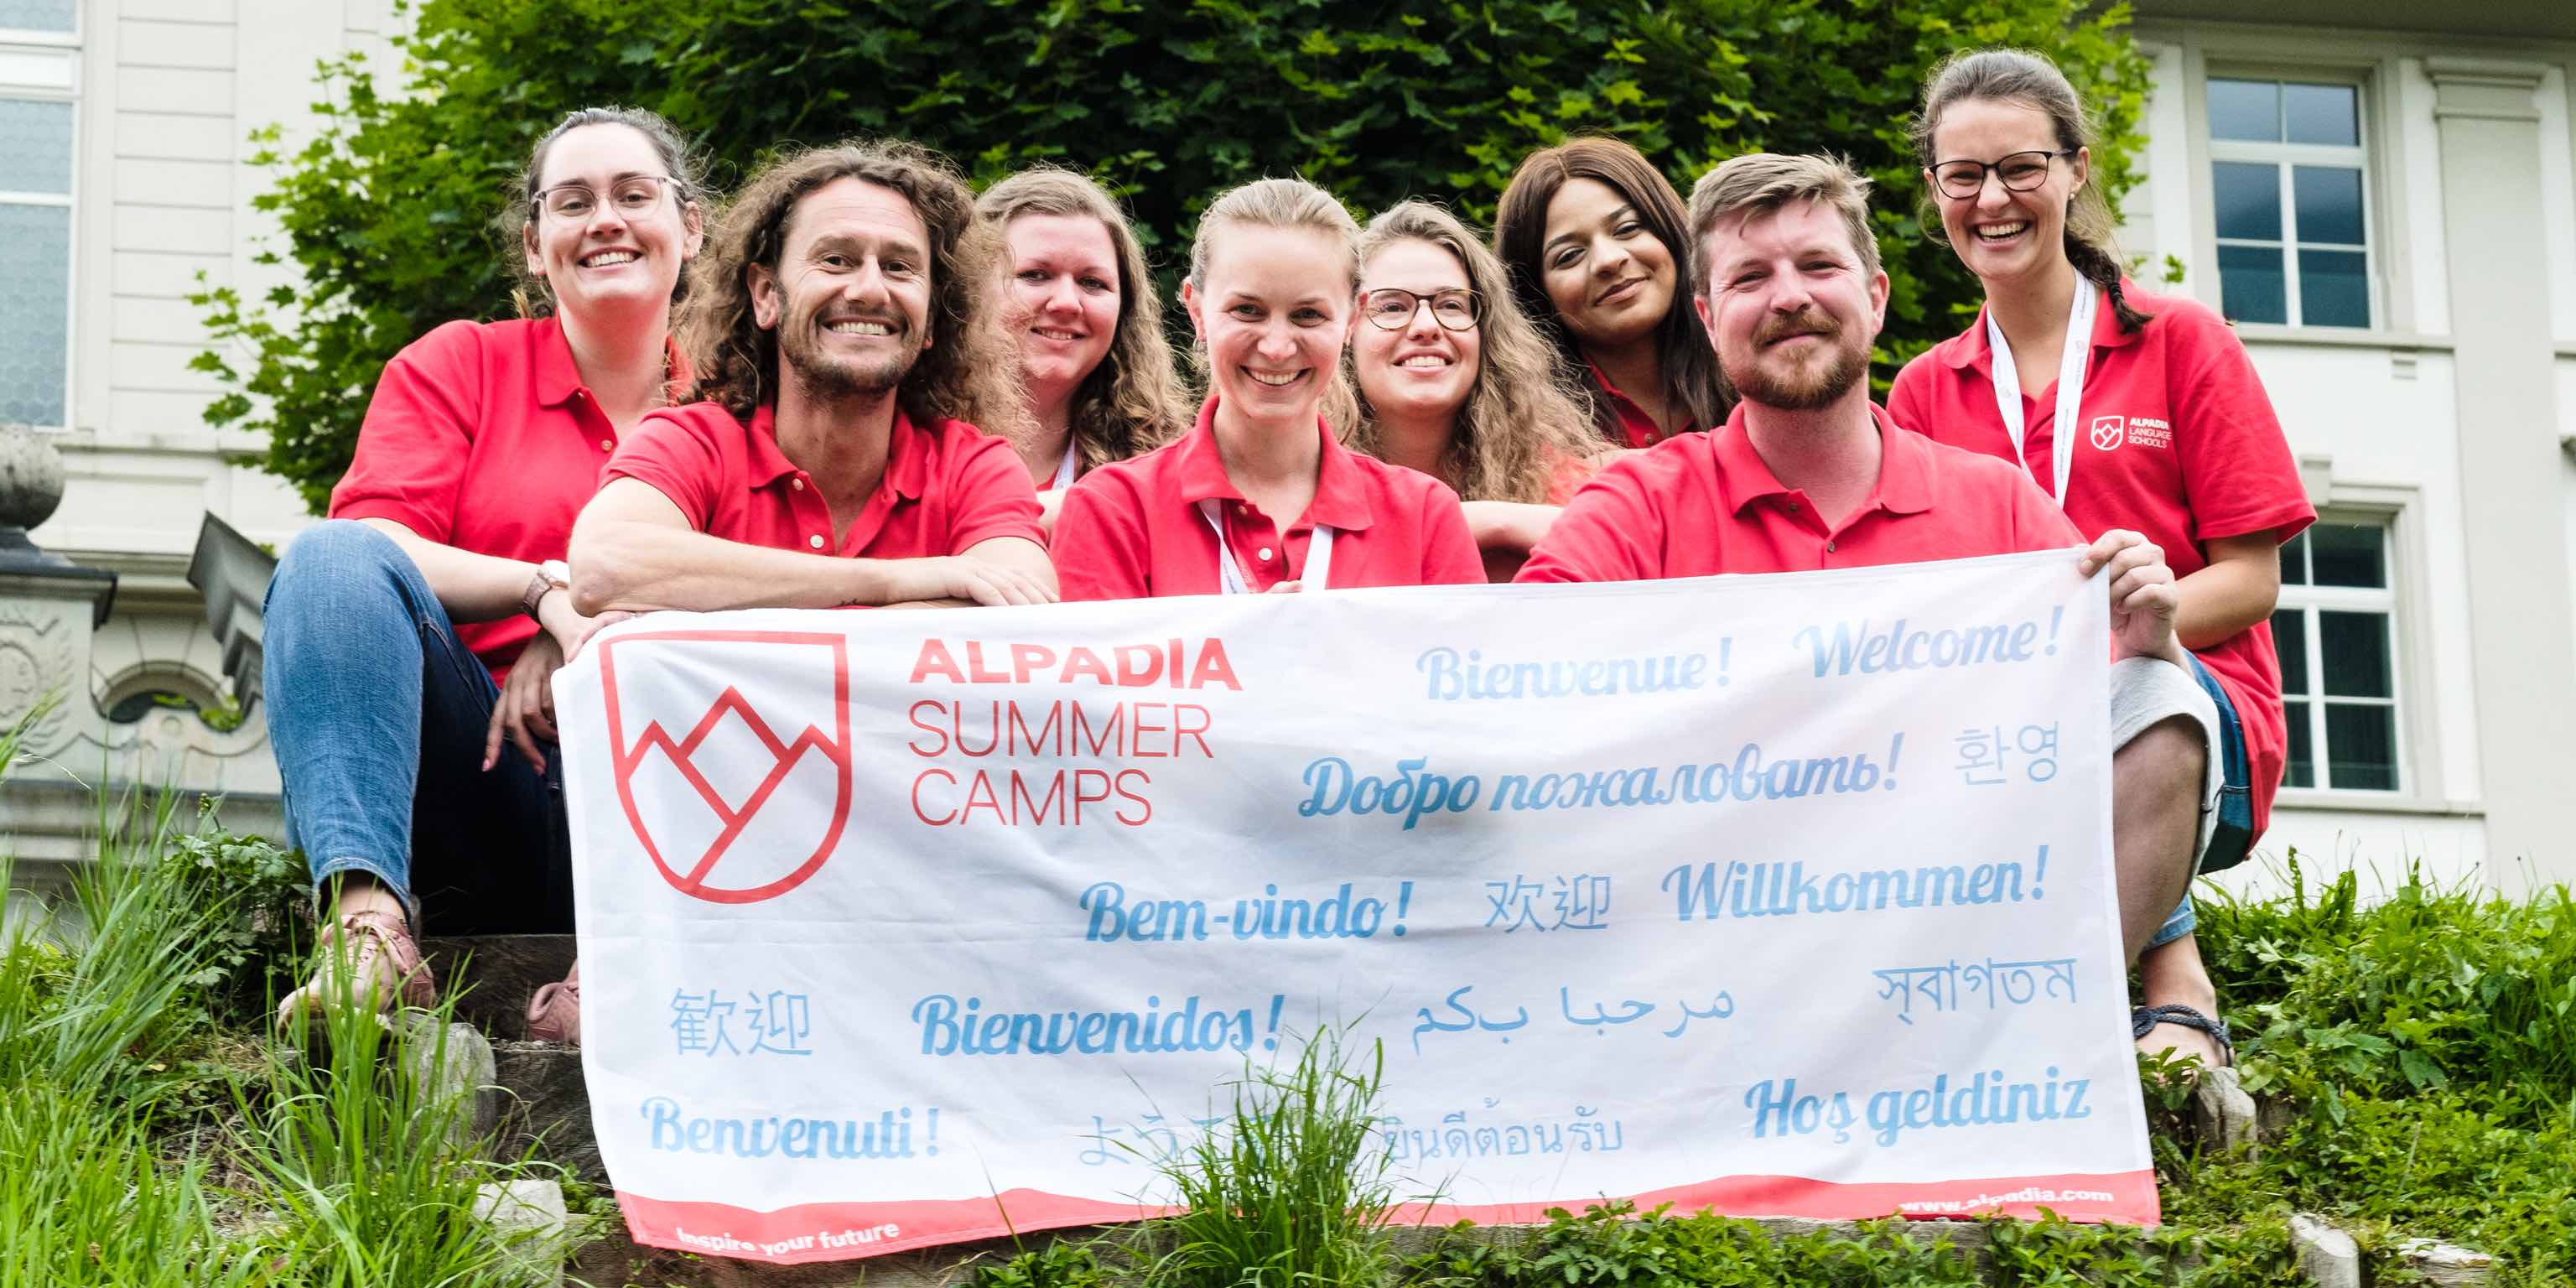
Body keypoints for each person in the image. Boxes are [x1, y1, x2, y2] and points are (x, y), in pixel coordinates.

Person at [1519, 152, 2211, 1005]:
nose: (1788, 297)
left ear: (1876, 297)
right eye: (1750, 278)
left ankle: (2045, 1021)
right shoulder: (1641, 500)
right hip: (1711, 951)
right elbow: (1520, 674)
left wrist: (2152, 640)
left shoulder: (1997, 507)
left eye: (1818, 266)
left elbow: (2123, 730)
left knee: (2164, 698)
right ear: (1707, 316)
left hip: (1954, 954)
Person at [1889, 49, 2316, 1067]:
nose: (1992, 199)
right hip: (2004, 716)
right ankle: (2171, 985)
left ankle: (2049, 1037)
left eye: (2022, 168)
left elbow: (2253, 580)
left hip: (2191, 695)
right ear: (1935, 190)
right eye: (1963, 176)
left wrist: (2135, 623)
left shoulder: (2183, 341)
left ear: (2077, 171)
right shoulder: (1920, 393)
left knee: (2132, 692)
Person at [263, 106, 705, 1036]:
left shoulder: (745, 401)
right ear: (536, 247)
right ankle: (369, 936)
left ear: (691, 226)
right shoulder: (458, 366)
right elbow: (379, 552)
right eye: (573, 202)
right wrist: (542, 594)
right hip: (486, 776)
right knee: (327, 558)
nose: (606, 220)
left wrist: (589, 637)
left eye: (636, 195)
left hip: (674, 790)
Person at [571, 140, 1054, 624]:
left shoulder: (974, 466)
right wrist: (895, 581)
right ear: (766, 296)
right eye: (836, 260)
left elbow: (1025, 611)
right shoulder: (692, 443)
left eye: (898, 267)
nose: (869, 290)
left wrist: (706, 599)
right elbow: (603, 567)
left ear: (931, 320)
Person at [1051, 178, 1483, 598]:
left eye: (1308, 315)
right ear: (1197, 310)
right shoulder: (1113, 509)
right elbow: (1096, 673)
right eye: (1247, 310)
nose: (1277, 348)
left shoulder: (1425, 514)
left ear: (1353, 318)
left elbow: (1462, 667)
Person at [1346, 200, 1613, 581]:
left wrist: (1498, 521)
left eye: (1451, 304)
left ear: (1485, 334)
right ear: (1346, 332)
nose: (1426, 326)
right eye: (1391, 307)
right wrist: (1456, 523)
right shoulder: (1300, 481)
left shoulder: (1570, 482)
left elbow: (1642, 548)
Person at [974, 168, 1192, 531]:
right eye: (1035, 275)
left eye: (1092, 283)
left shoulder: (1166, 462)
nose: (1066, 303)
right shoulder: (905, 444)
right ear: (970, 287)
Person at [1493, 138, 1729, 449]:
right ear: (1535, 293)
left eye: (1627, 229)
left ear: (1669, 231)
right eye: (1569, 255)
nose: (1608, 260)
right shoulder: (1522, 436)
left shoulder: (1755, 374)